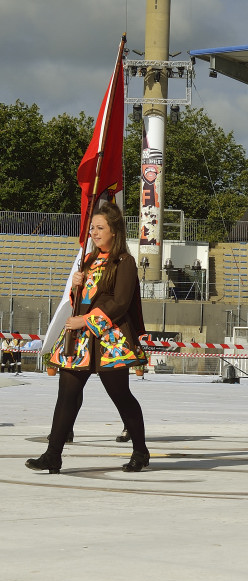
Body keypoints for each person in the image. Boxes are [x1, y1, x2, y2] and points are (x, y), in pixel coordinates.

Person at [26, 202, 151, 475]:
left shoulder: (125, 263)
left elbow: (119, 303)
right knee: (67, 394)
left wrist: (86, 320)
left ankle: (140, 450)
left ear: (114, 231)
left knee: (121, 396)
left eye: (99, 227)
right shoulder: (88, 260)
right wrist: (75, 286)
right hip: (80, 341)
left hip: (110, 341)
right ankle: (53, 454)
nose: (93, 232)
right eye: (92, 227)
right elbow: (79, 301)